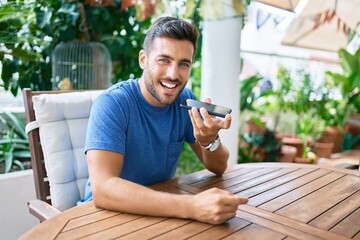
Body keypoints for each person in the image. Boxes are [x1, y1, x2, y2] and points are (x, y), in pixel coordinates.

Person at [81, 16, 248, 225]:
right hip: (102, 219)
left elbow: (218, 167)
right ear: (143, 59)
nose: (173, 74)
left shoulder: (184, 100)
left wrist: (209, 140)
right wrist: (190, 206)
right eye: (164, 60)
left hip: (157, 216)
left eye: (183, 64)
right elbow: (103, 189)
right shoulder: (113, 103)